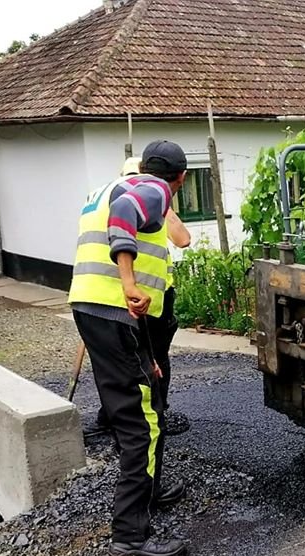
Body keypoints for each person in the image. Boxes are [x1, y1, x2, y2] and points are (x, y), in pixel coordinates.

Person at [68, 140, 189, 556]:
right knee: (142, 422)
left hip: (96, 309)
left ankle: (150, 489)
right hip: (116, 309)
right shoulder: (155, 189)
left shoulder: (104, 188)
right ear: (181, 178)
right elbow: (123, 220)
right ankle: (130, 536)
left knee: (145, 396)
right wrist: (129, 282)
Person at [88, 157, 193, 440]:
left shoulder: (150, 200)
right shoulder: (123, 199)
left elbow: (182, 238)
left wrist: (164, 208)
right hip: (126, 296)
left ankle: (150, 415)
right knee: (131, 365)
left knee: (148, 361)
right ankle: (129, 420)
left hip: (149, 297)